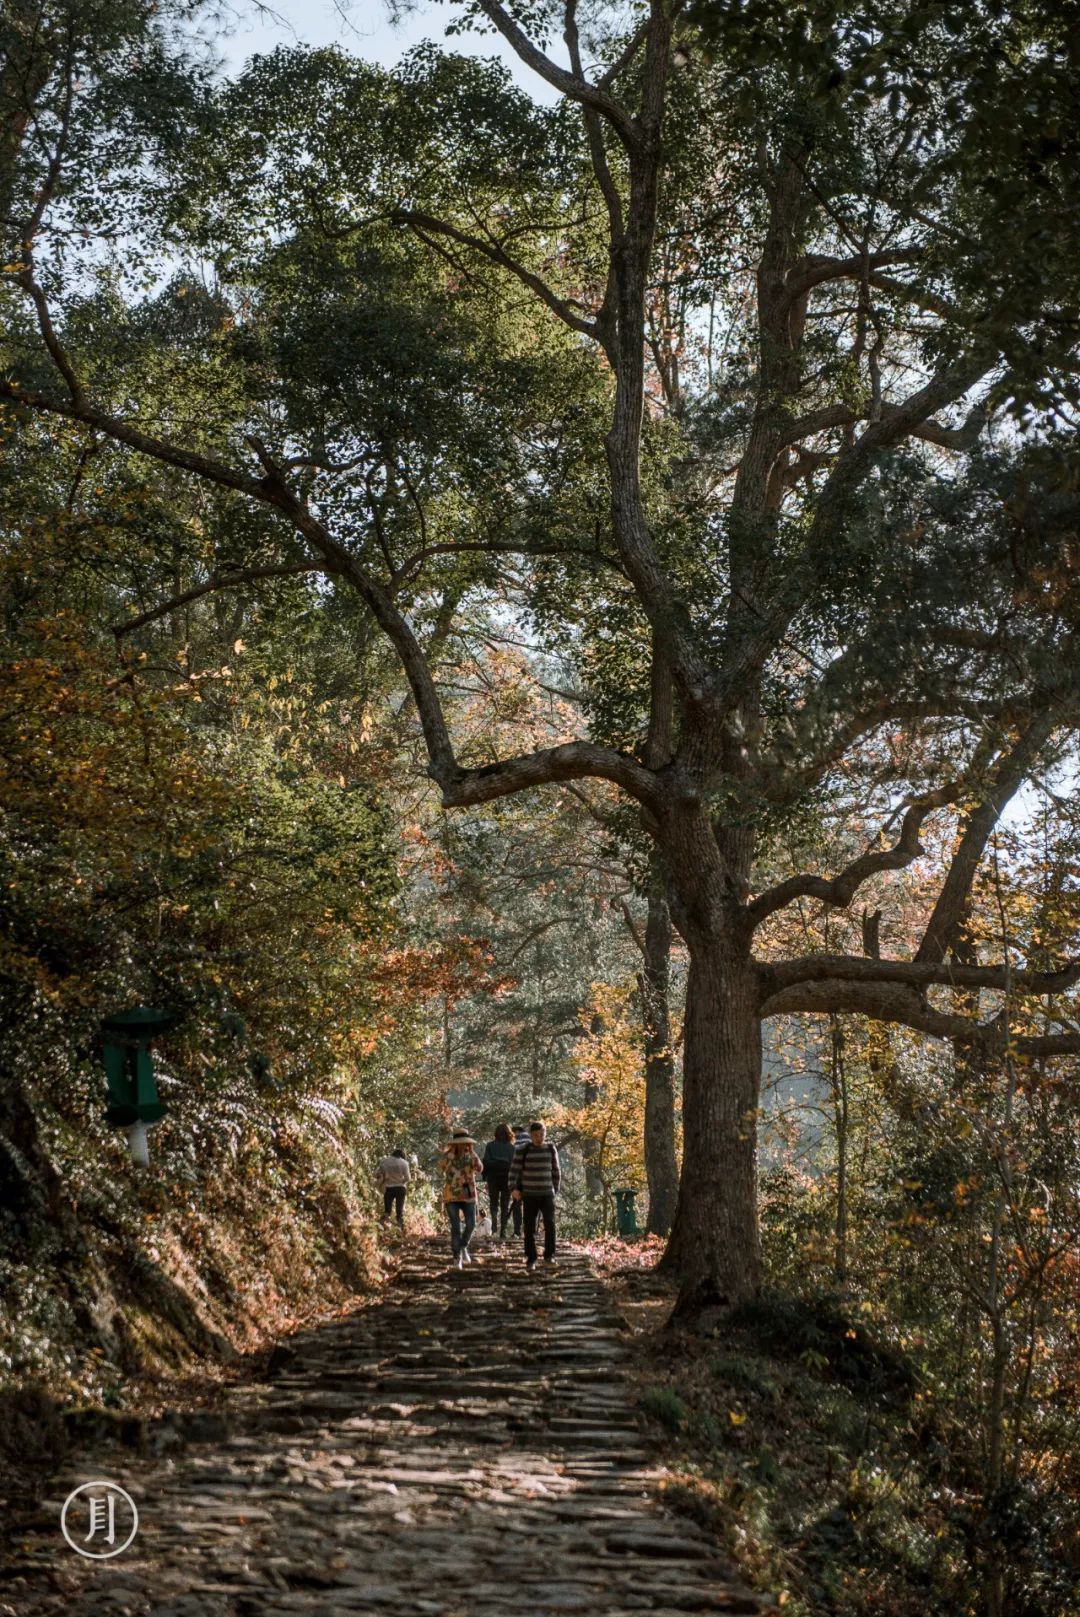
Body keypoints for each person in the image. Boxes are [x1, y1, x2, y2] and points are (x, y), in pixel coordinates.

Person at [509, 1120, 561, 1272]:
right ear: (531, 1135)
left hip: (547, 1194)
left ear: (545, 1133)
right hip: (530, 1194)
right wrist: (513, 1188)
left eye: (542, 1134)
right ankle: (531, 1258)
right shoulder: (523, 1149)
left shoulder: (551, 1148)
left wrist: (554, 1189)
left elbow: (556, 1171)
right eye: (536, 1135)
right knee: (529, 1227)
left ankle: (549, 1255)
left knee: (550, 1225)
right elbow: (513, 1170)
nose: (539, 1137)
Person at [440, 1127, 484, 1269]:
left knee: (471, 1224)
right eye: (459, 1142)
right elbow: (443, 1168)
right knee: (455, 1226)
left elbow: (479, 1168)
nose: (462, 1145)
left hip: (468, 1193)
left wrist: (472, 1153)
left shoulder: (471, 1155)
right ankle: (456, 1255)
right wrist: (451, 1155)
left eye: (464, 1142)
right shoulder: (448, 1156)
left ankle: (463, 1245)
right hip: (451, 1194)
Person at [481, 1123, 516, 1238]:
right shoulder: (512, 1148)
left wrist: (485, 1176)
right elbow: (514, 1165)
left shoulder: (490, 1146)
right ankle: (503, 1231)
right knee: (505, 1205)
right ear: (508, 1133)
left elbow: (485, 1162)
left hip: (493, 1178)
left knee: (493, 1203)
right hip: (507, 1179)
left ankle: (494, 1226)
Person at [375, 1146, 410, 1229]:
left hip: (389, 1188)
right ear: (402, 1155)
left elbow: (376, 1174)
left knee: (387, 1210)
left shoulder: (385, 1161)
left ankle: (382, 1226)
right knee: (399, 1210)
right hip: (400, 1188)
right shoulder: (404, 1163)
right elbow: (408, 1178)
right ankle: (400, 1227)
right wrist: (401, 1181)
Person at [509, 1124, 530, 1238]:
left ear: (514, 1131)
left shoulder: (514, 1140)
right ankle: (529, 1230)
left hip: (517, 1175)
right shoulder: (529, 1138)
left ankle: (517, 1230)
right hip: (529, 1175)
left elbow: (512, 1159)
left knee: (517, 1203)